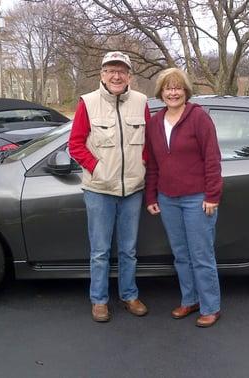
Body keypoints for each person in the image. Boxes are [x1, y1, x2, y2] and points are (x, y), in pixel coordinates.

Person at [68, 51, 150, 322]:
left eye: (122, 71)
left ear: (129, 76)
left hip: (133, 190)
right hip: (99, 190)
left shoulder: (141, 101)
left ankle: (129, 295)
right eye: (111, 70)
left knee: (129, 249)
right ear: (102, 74)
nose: (116, 75)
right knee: (100, 251)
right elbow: (76, 144)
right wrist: (97, 168)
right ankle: (99, 300)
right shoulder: (88, 103)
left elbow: (149, 143)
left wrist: (143, 166)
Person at [145, 68, 223, 327]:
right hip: (168, 199)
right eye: (168, 88)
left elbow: (212, 159)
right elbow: (153, 163)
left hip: (197, 199)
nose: (173, 92)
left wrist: (212, 195)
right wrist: (151, 195)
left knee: (201, 255)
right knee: (180, 255)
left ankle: (210, 306)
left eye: (178, 87)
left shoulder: (198, 118)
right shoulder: (155, 123)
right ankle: (189, 300)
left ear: (186, 91)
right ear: (161, 92)